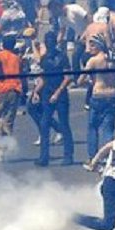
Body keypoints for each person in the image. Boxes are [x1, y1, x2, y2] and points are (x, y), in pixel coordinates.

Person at [31, 31, 74, 167]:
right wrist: (36, 92)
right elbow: (43, 77)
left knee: (64, 124)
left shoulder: (62, 57)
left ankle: (68, 156)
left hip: (60, 95)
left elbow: (68, 77)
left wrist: (58, 92)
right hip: (47, 93)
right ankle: (44, 157)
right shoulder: (44, 58)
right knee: (44, 124)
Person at [77, 33, 115, 159]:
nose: (90, 47)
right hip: (112, 96)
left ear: (100, 45)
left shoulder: (93, 61)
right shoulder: (112, 59)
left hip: (98, 96)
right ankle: (108, 157)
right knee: (108, 129)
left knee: (93, 127)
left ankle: (93, 157)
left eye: (93, 44)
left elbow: (80, 80)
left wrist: (90, 81)